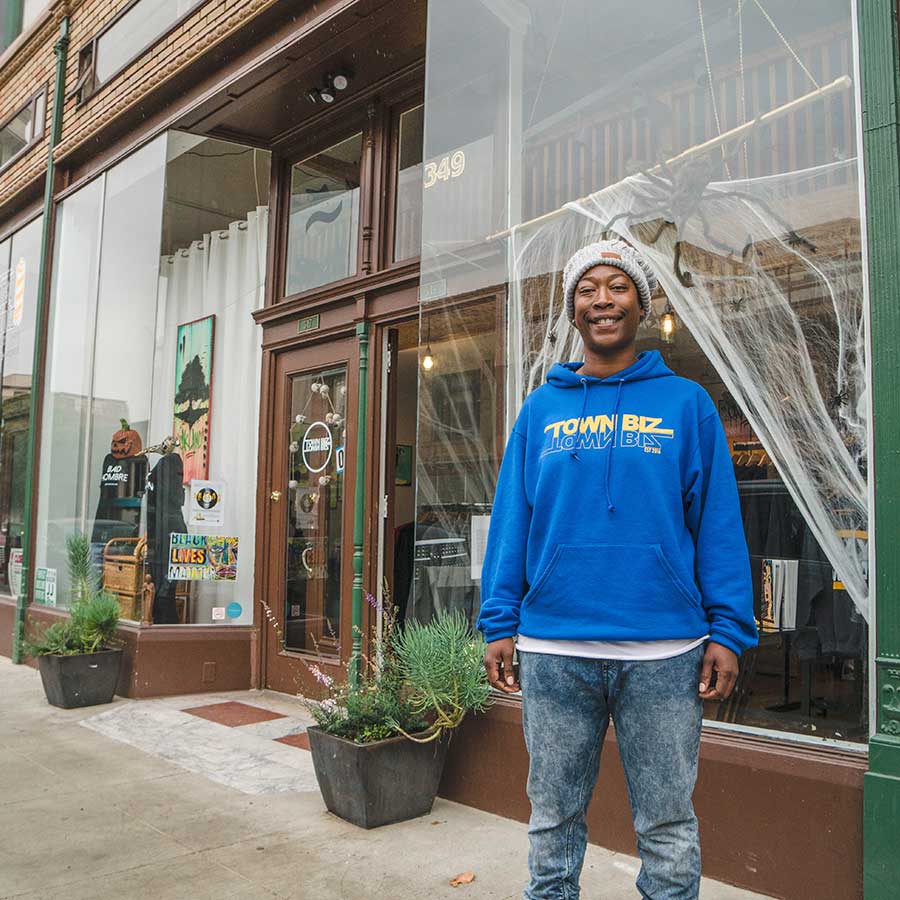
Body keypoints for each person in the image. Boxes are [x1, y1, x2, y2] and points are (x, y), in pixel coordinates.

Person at [477, 238, 758, 900]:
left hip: (665, 651)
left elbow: (716, 524)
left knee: (666, 826)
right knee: (553, 824)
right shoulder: (540, 410)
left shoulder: (686, 405)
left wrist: (728, 630)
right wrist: (498, 620)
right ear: (573, 310)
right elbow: (513, 520)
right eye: (587, 289)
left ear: (641, 302)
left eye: (618, 286)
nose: (602, 299)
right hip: (552, 649)